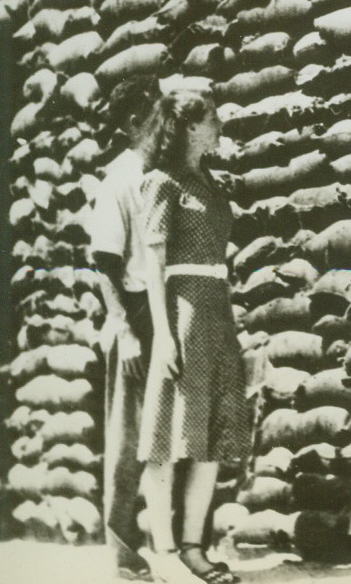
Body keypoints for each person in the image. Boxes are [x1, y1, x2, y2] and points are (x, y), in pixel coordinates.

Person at [137, 89, 252, 584]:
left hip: (216, 311)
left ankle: (192, 549)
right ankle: (162, 554)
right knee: (166, 436)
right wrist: (163, 336)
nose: (220, 125)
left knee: (210, 435)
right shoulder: (161, 183)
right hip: (180, 311)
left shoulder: (211, 181)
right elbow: (152, 262)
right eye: (213, 119)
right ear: (187, 126)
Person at [87, 75, 162, 582]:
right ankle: (122, 552)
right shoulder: (120, 178)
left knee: (162, 432)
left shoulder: (154, 172)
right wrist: (125, 329)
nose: (165, 127)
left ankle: (162, 545)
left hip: (160, 310)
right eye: (157, 118)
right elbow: (104, 262)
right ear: (134, 123)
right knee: (129, 435)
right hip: (134, 313)